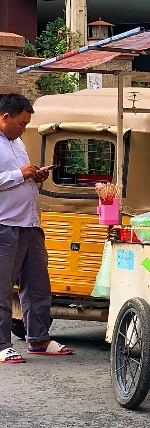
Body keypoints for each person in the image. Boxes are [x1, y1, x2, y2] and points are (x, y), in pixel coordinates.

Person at [0, 93, 72, 363]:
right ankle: (1, 344)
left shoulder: (16, 142)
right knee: (3, 287)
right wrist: (22, 173)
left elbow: (20, 177)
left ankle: (39, 338)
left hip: (30, 223)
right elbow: (14, 176)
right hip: (5, 223)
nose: (24, 129)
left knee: (38, 284)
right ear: (5, 117)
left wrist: (35, 175)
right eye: (21, 123)